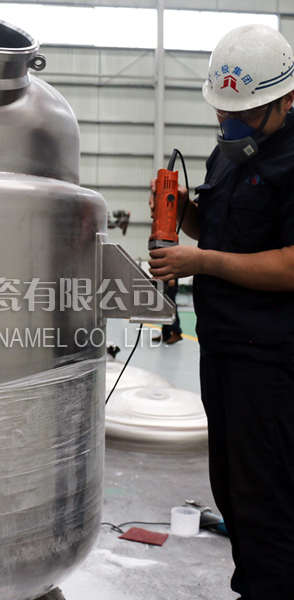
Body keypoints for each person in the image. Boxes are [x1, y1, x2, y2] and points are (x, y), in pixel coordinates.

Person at [148, 24, 294, 600]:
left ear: (286, 99)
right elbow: (219, 233)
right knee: (233, 491)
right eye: (223, 112)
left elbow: (290, 265)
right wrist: (182, 211)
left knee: (267, 499)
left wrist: (200, 262)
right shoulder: (229, 154)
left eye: (246, 114)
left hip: (272, 361)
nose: (231, 125)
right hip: (225, 351)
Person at [161, 279, 183, 344]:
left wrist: (171, 279)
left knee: (170, 306)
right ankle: (166, 333)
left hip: (169, 279)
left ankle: (176, 332)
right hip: (163, 281)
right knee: (164, 307)